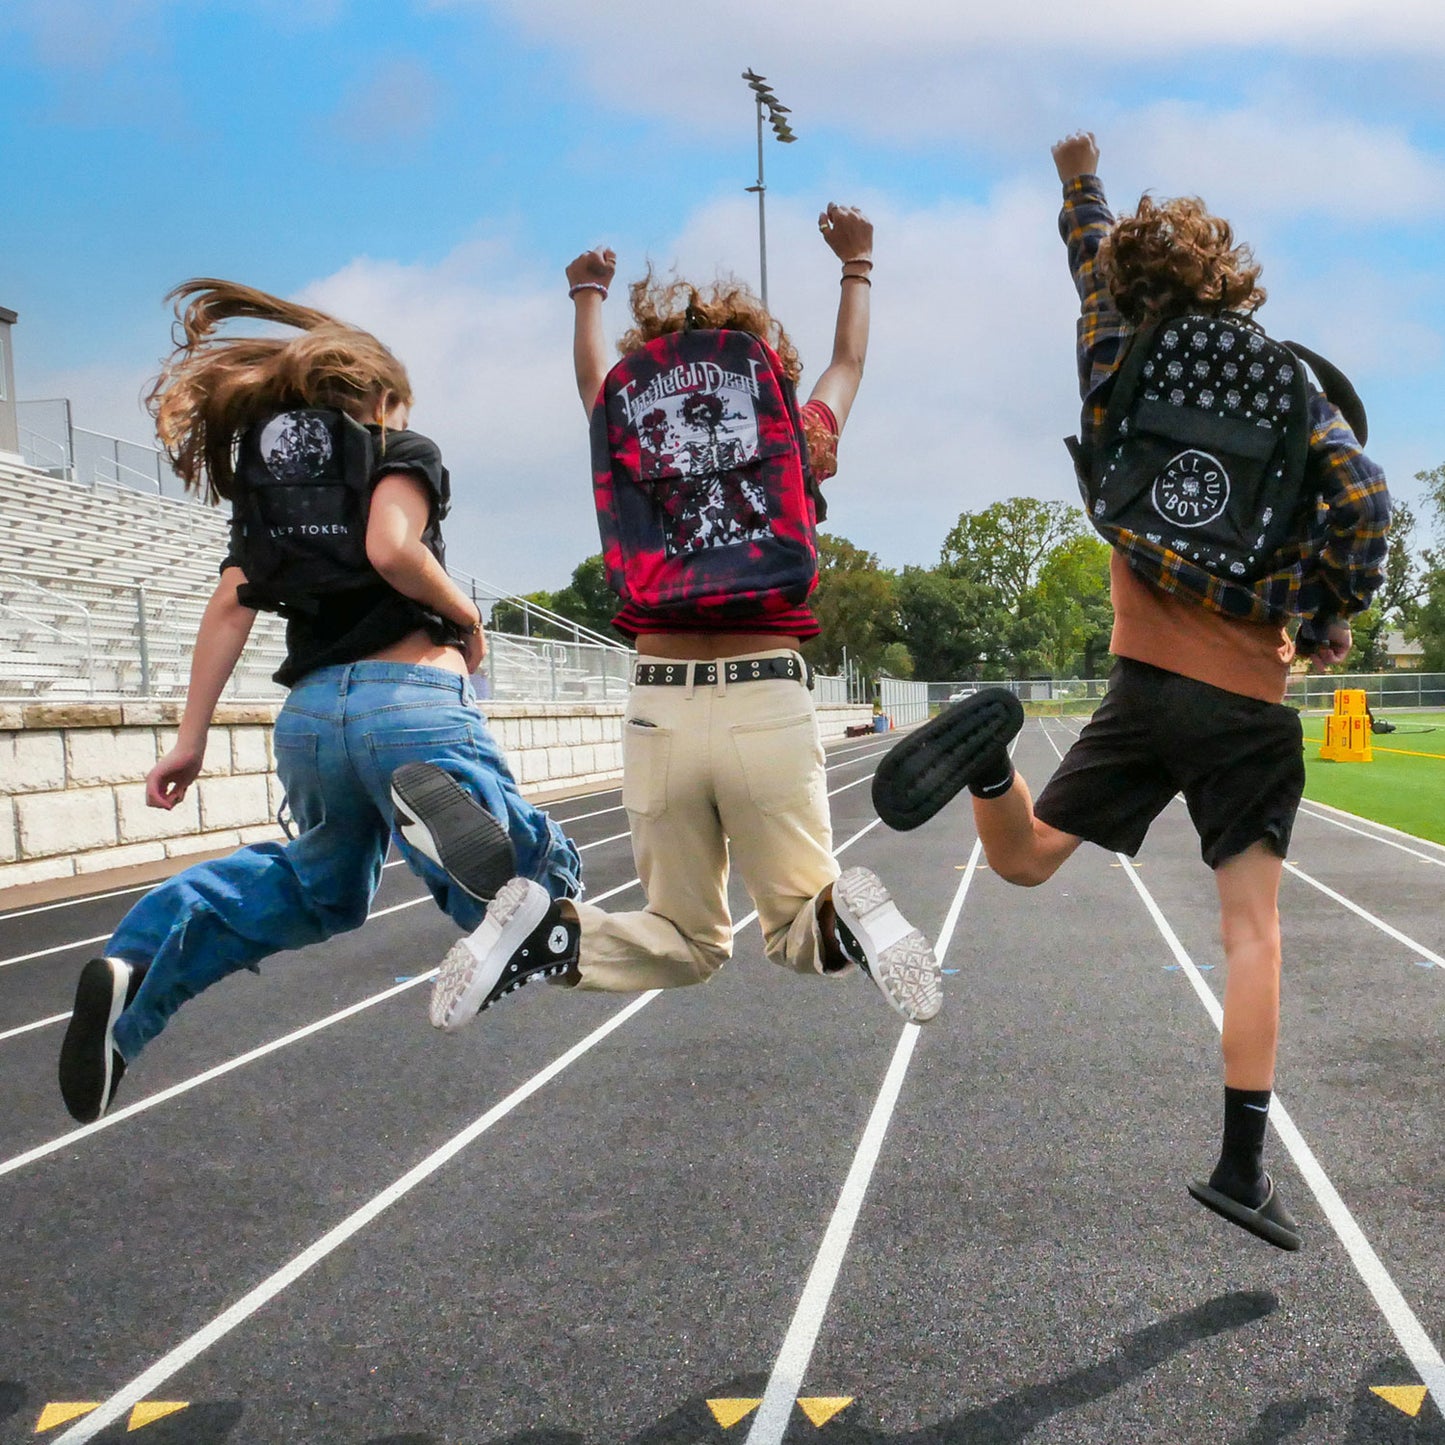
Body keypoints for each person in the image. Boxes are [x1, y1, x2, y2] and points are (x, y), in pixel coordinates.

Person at [876, 134, 1389, 1250]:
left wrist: (1077, 185)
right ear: (1232, 279)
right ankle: (1240, 1167)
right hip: (1244, 701)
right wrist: (1322, 611)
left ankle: (987, 758)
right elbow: (1362, 499)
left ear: (1130, 288)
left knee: (1018, 860)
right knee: (1250, 933)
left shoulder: (1117, 354)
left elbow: (1090, 263)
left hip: (1139, 680)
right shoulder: (1290, 385)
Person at [403, 205, 943, 1031]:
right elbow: (849, 364)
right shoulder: (793, 434)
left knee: (683, 937)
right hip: (765, 698)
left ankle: (551, 932)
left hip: (657, 707)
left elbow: (592, 384)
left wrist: (587, 293)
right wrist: (856, 264)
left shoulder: (629, 426)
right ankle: (848, 918)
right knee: (798, 923)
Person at [58, 280, 581, 1124]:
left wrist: (189, 739)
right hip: (410, 699)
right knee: (534, 890)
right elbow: (390, 544)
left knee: (320, 888)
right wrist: (464, 611)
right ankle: (462, 842)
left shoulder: (270, 496)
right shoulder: (399, 446)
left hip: (309, 723)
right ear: (381, 399)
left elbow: (230, 605)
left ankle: (139, 964)